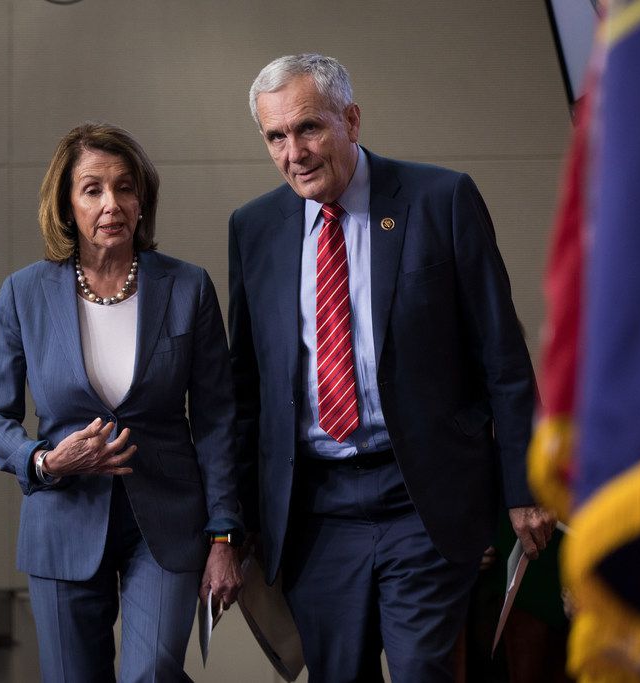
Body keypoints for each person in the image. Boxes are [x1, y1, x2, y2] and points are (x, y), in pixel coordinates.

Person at [228, 54, 556, 682]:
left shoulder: (441, 198)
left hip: (420, 495)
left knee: (421, 671)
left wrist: (524, 487)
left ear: (350, 119)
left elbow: (502, 357)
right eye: (276, 136)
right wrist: (233, 522)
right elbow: (247, 388)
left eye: (309, 128)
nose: (294, 151)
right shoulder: (254, 228)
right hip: (314, 511)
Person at [0, 122, 244, 682]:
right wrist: (45, 461)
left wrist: (224, 535)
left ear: (143, 199)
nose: (111, 204)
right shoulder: (24, 293)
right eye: (92, 189)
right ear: (67, 205)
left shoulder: (188, 287)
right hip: (63, 516)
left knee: (153, 673)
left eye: (125, 187)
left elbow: (218, 421)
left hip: (167, 519)